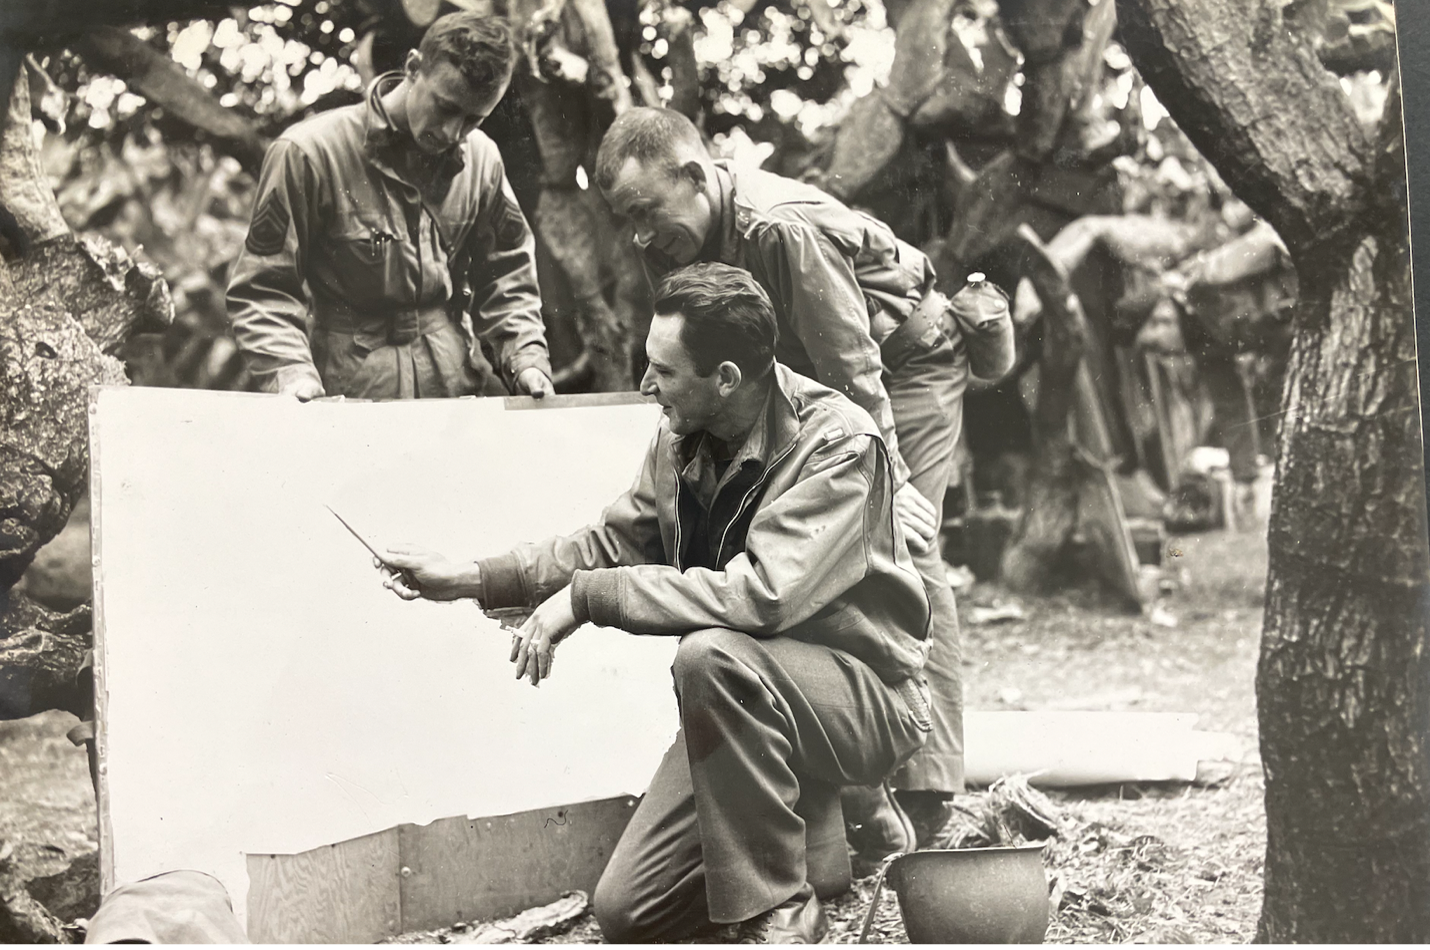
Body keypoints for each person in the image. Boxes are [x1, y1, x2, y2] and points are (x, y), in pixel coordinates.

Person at [380, 263, 933, 944]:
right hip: (753, 701)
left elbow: (758, 596)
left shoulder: (839, 443)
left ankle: (778, 910)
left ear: (726, 379)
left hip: (864, 696)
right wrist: (470, 575)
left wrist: (585, 602)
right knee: (631, 910)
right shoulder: (682, 439)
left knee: (709, 657)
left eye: (663, 372)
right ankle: (817, 841)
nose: (646, 386)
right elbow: (614, 544)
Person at [591, 106, 1015, 856]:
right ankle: (856, 791)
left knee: (903, 551)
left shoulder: (778, 227)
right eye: (627, 221)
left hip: (904, 361)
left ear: (697, 176)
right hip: (812, 383)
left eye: (648, 214)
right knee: (791, 558)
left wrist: (893, 482)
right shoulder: (676, 237)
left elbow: (854, 364)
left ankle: (926, 794)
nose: (640, 238)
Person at [227, 11, 555, 401]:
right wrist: (292, 373)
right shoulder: (309, 153)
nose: (453, 133)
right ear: (414, 67)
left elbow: (507, 274)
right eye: (446, 107)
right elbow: (263, 290)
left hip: (452, 387)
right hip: (346, 388)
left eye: (473, 119)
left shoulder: (482, 160)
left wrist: (527, 360)